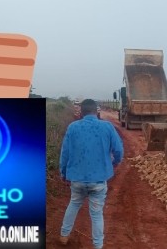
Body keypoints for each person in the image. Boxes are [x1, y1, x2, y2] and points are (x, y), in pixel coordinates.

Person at [59, 99, 123, 249]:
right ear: (97, 111)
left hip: (77, 179)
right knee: (96, 214)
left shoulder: (73, 127)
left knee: (74, 204)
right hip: (99, 181)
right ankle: (98, 245)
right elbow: (119, 150)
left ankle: (64, 235)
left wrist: (63, 173)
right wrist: (114, 162)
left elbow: (65, 153)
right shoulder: (107, 127)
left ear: (81, 112)